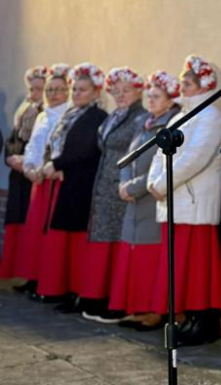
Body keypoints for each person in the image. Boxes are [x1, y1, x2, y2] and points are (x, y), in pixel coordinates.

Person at [147, 54, 221, 346]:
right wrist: (152, 182)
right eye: (181, 81)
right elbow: (160, 152)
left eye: (189, 82)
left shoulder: (211, 118)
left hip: (195, 204)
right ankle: (189, 318)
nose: (182, 87)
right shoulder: (181, 115)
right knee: (180, 266)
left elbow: (195, 158)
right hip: (175, 201)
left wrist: (162, 184)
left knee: (198, 267)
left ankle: (204, 321)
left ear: (204, 85)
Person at [109, 70, 181, 329]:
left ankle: (155, 310)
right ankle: (138, 307)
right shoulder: (144, 122)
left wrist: (136, 187)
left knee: (153, 257)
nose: (150, 100)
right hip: (134, 200)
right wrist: (124, 183)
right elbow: (129, 156)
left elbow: (159, 165)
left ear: (171, 100)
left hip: (153, 198)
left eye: (157, 96)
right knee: (136, 255)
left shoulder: (172, 124)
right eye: (149, 95)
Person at [36, 63, 107, 303]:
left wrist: (57, 165)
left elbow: (85, 149)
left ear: (96, 93)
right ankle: (56, 287)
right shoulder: (71, 113)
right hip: (66, 181)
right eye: (75, 89)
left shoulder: (96, 116)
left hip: (81, 183)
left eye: (83, 90)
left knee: (74, 240)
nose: (76, 93)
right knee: (60, 238)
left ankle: (73, 291)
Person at [80, 67, 147, 321]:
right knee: (102, 242)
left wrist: (126, 182)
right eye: (116, 90)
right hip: (104, 185)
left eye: (126, 90)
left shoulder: (140, 117)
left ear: (138, 91)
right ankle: (95, 295)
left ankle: (114, 300)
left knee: (116, 243)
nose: (120, 94)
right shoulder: (114, 115)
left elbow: (135, 149)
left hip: (121, 187)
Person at [14, 64, 70, 292]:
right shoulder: (42, 115)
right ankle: (32, 277)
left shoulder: (67, 114)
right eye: (49, 90)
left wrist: (46, 167)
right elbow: (33, 145)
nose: (53, 94)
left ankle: (46, 279)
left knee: (49, 234)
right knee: (34, 232)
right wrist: (29, 166)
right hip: (37, 179)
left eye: (58, 89)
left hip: (54, 179)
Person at [0, 66, 47, 280]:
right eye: (32, 88)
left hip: (32, 173)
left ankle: (27, 273)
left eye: (39, 89)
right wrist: (10, 157)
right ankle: (11, 270)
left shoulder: (45, 114)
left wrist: (25, 162)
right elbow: (11, 138)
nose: (34, 93)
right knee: (15, 221)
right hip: (17, 173)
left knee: (28, 222)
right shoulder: (24, 109)